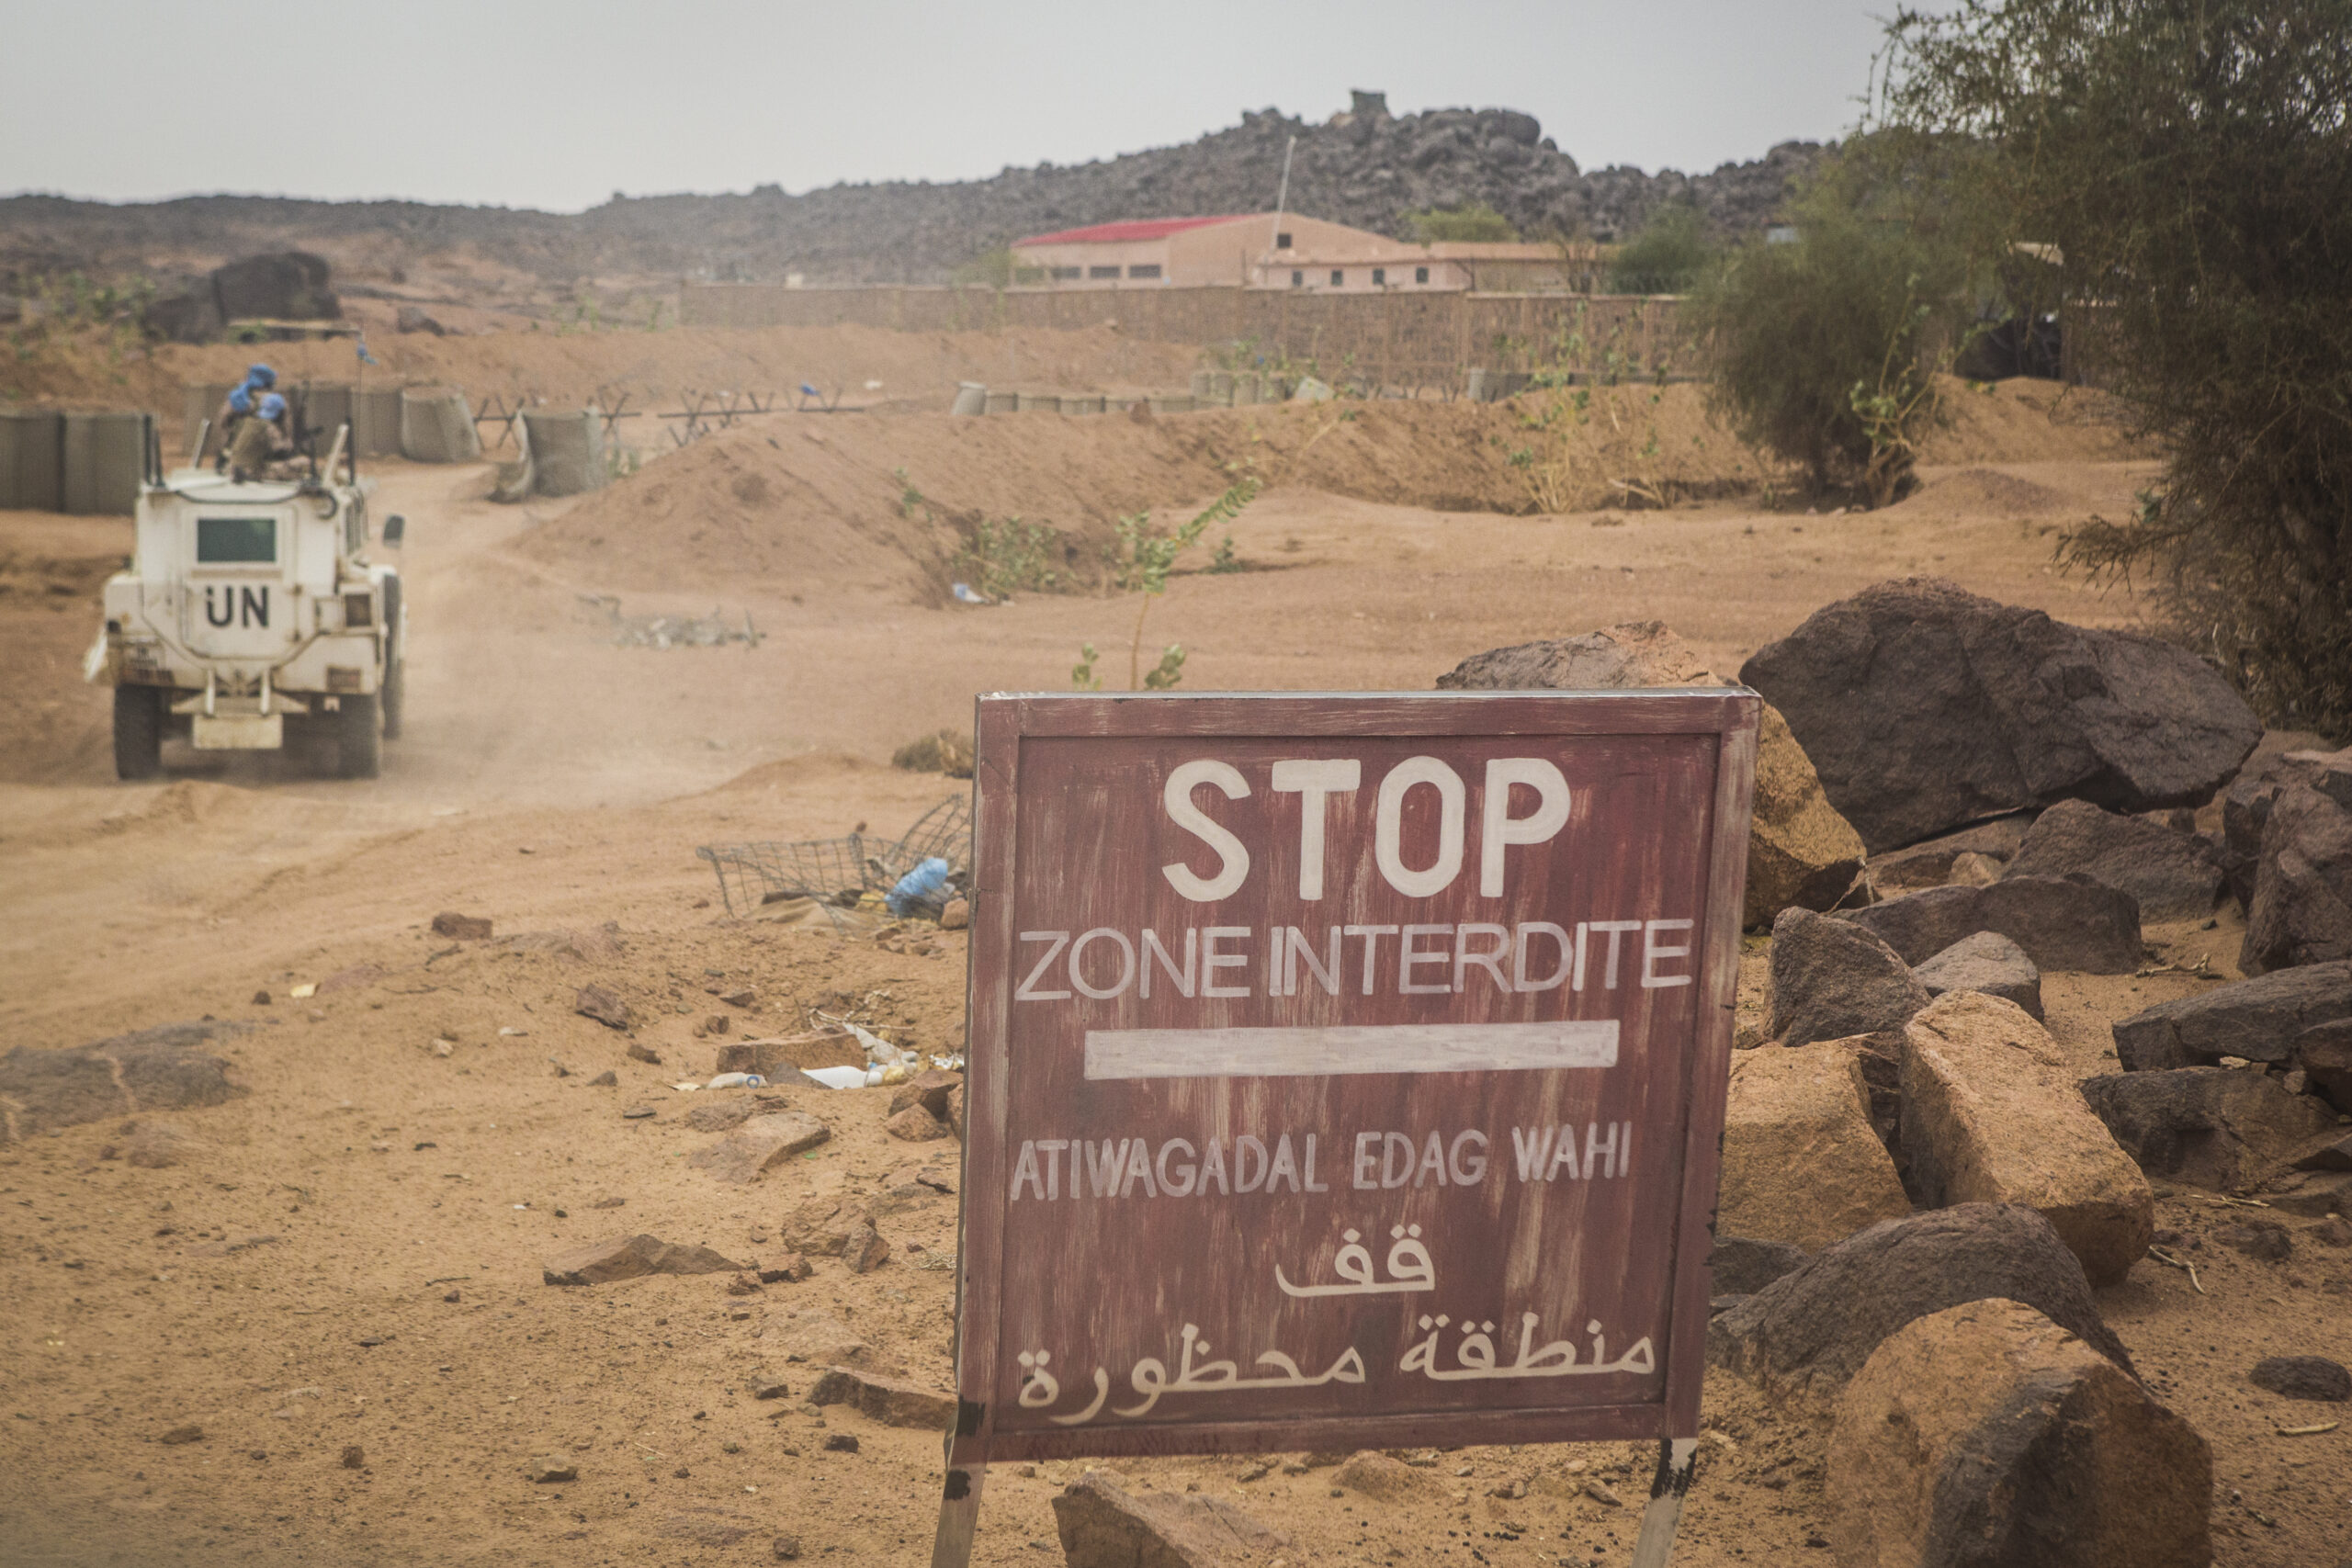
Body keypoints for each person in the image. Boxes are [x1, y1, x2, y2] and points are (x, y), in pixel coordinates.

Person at [227, 390, 294, 479]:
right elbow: (282, 451)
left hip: (233, 469)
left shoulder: (248, 422)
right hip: (251, 472)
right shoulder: (269, 427)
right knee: (303, 462)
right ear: (280, 413)